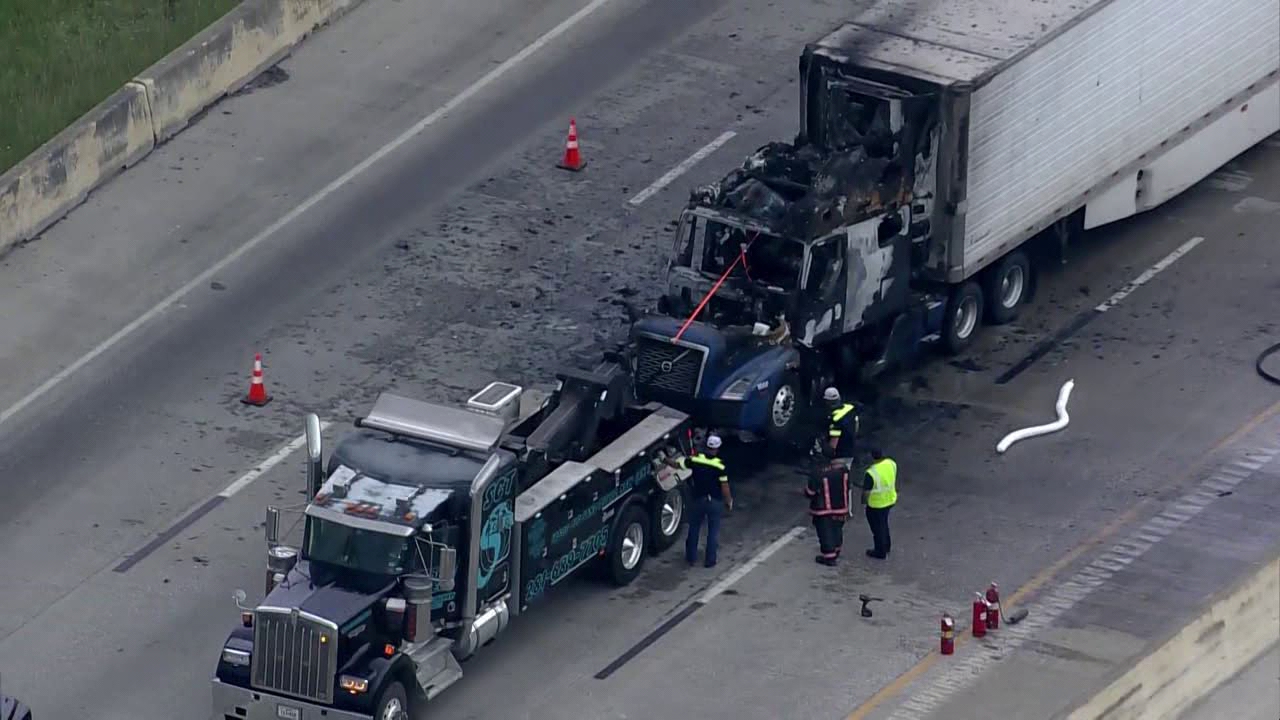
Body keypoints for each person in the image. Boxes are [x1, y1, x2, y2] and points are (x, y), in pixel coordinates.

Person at [685, 434, 733, 568]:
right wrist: (728, 501)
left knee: (694, 528)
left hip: (697, 499)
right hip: (714, 502)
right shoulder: (720, 466)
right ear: (718, 448)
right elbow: (724, 486)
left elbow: (679, 464)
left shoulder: (695, 460)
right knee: (713, 531)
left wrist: (664, 460)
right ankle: (710, 561)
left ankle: (691, 558)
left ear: (706, 446)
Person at [804, 443, 851, 566]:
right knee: (837, 529)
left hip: (823, 509)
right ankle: (836, 550)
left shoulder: (818, 473)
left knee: (825, 532)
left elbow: (810, 492)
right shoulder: (843, 470)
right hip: (841, 507)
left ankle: (829, 557)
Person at [861, 449, 897, 559]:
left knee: (877, 528)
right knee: (884, 524)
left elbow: (866, 493)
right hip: (890, 499)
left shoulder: (871, 473)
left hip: (876, 504)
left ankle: (880, 551)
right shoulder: (891, 463)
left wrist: (864, 502)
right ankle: (886, 546)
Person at [823, 387, 859, 459]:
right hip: (852, 449)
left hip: (841, 456)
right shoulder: (850, 408)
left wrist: (824, 448)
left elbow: (833, 446)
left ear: (827, 401)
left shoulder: (836, 419)